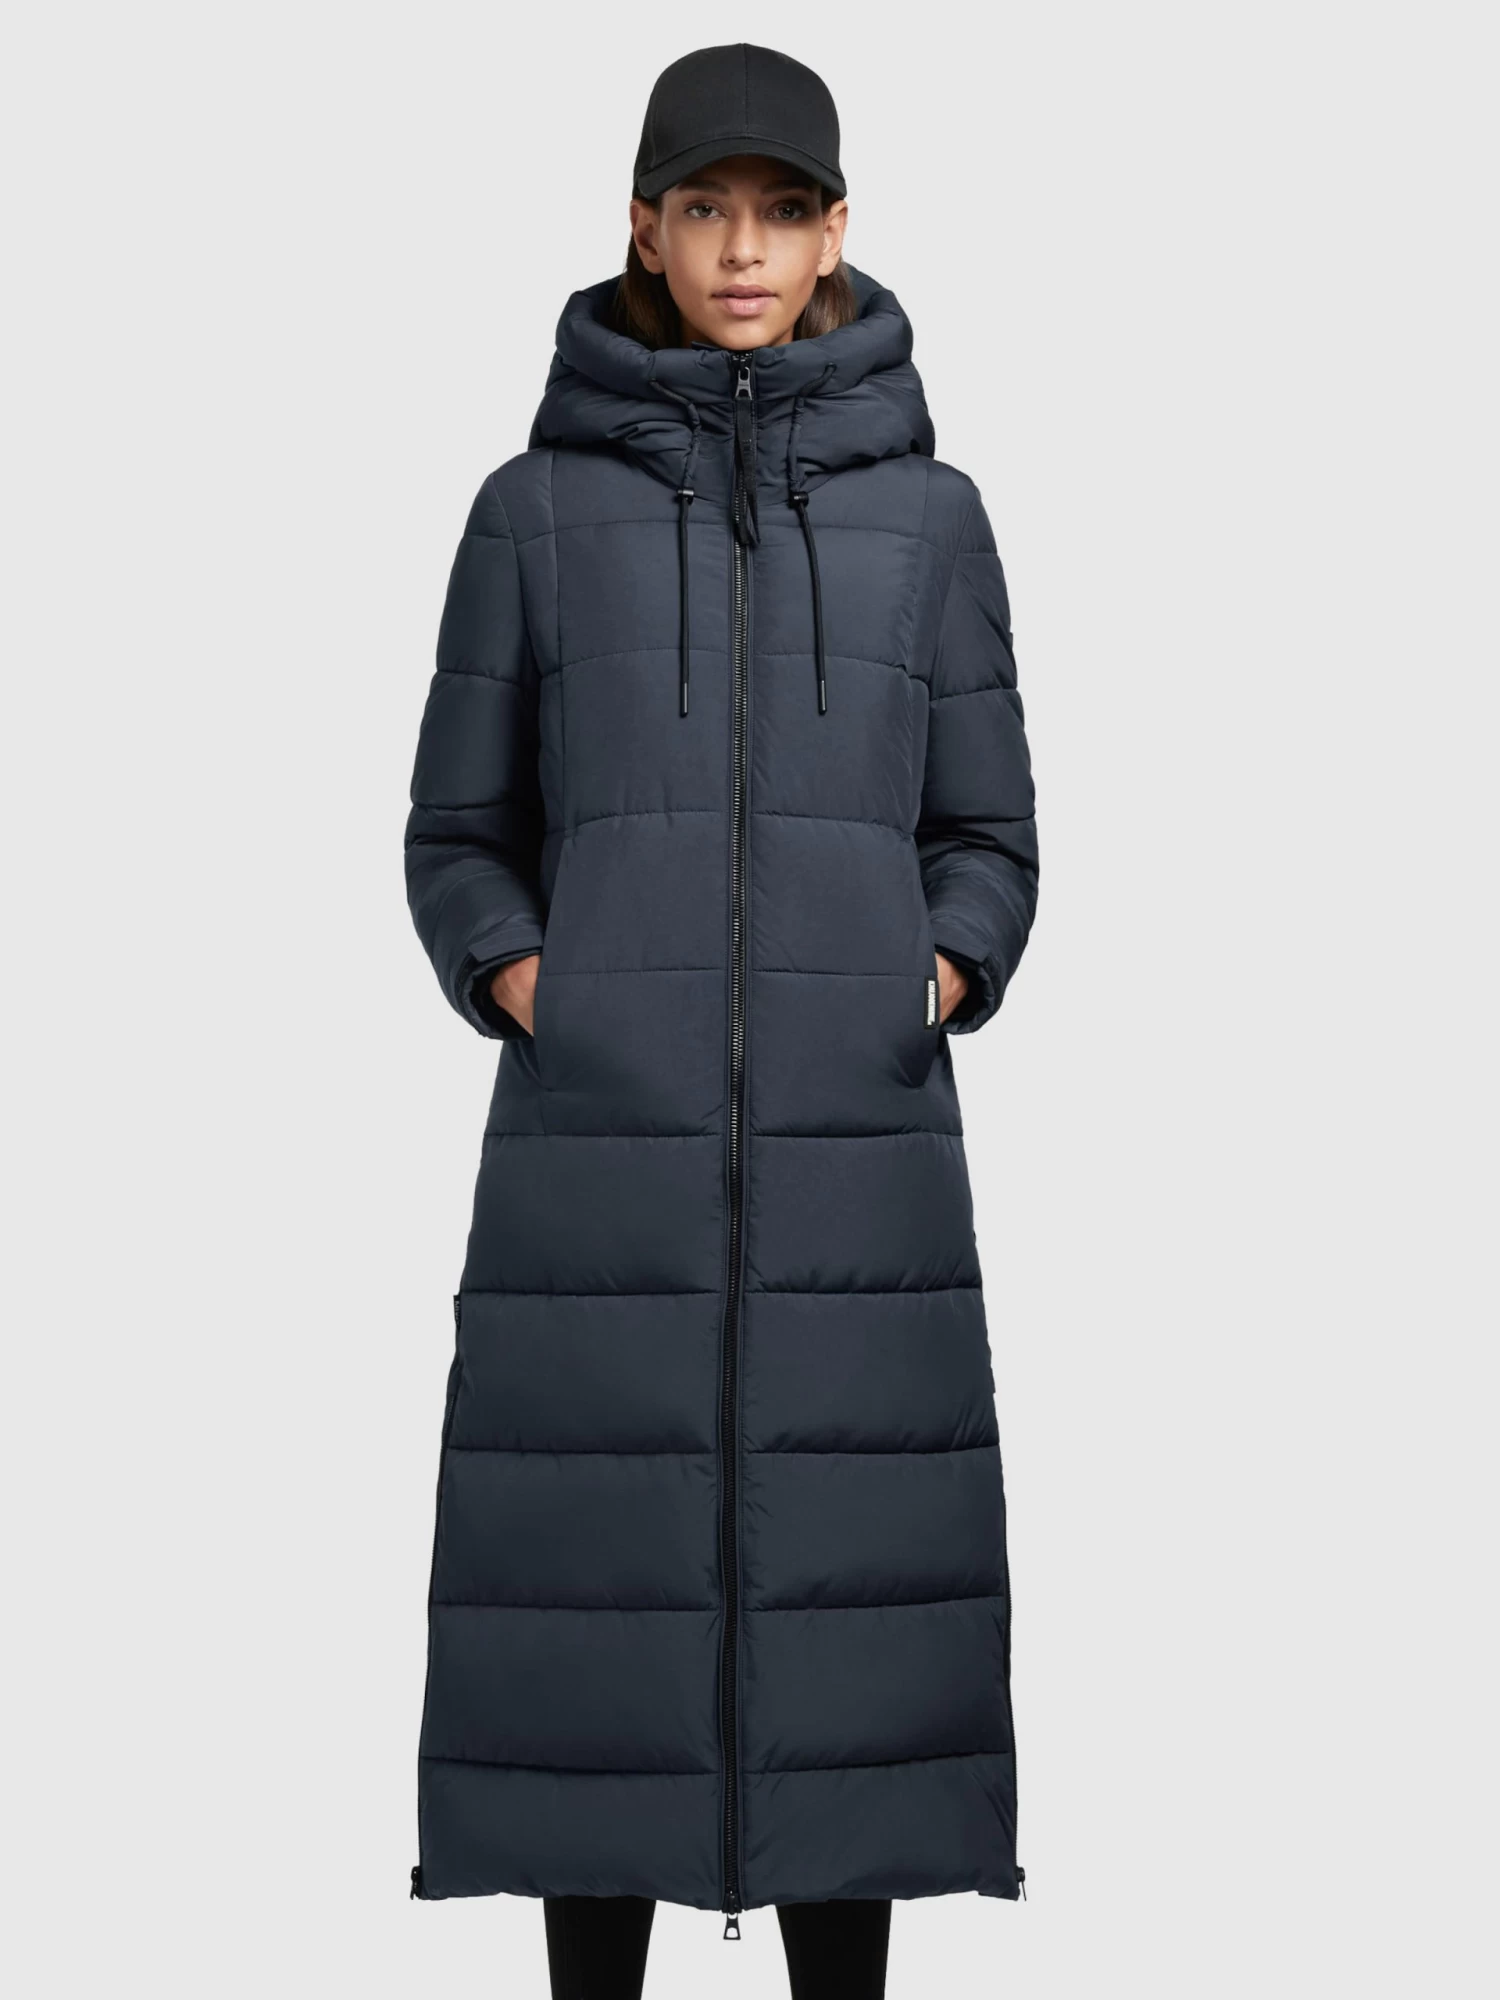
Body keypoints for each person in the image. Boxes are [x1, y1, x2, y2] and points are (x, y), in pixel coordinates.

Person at [404, 42, 1039, 2000]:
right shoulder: (532, 514)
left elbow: (990, 835)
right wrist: (537, 980)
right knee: (585, 1623)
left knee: (860, 1634)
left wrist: (932, 970)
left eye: (780, 211)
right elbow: (456, 835)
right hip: (596, 1170)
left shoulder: (932, 521)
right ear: (645, 227)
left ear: (837, 231)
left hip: (864, 1169)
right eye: (705, 208)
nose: (743, 248)